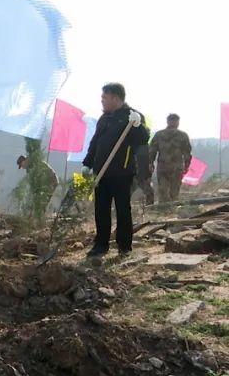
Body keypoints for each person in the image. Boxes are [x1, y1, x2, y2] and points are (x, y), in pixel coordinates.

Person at [82, 83, 149, 257]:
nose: (102, 101)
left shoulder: (131, 116)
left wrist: (137, 125)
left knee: (122, 209)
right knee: (101, 209)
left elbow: (143, 139)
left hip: (122, 171)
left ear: (115, 98)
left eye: (105, 98)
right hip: (101, 172)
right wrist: (88, 163)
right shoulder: (104, 118)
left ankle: (124, 246)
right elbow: (95, 142)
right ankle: (101, 245)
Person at [149, 113, 193, 203]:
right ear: (177, 122)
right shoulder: (183, 135)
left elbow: (152, 151)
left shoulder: (159, 135)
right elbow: (187, 153)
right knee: (174, 192)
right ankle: (171, 210)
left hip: (163, 167)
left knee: (163, 191)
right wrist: (186, 166)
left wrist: (150, 163)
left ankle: (163, 211)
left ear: (167, 122)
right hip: (176, 168)